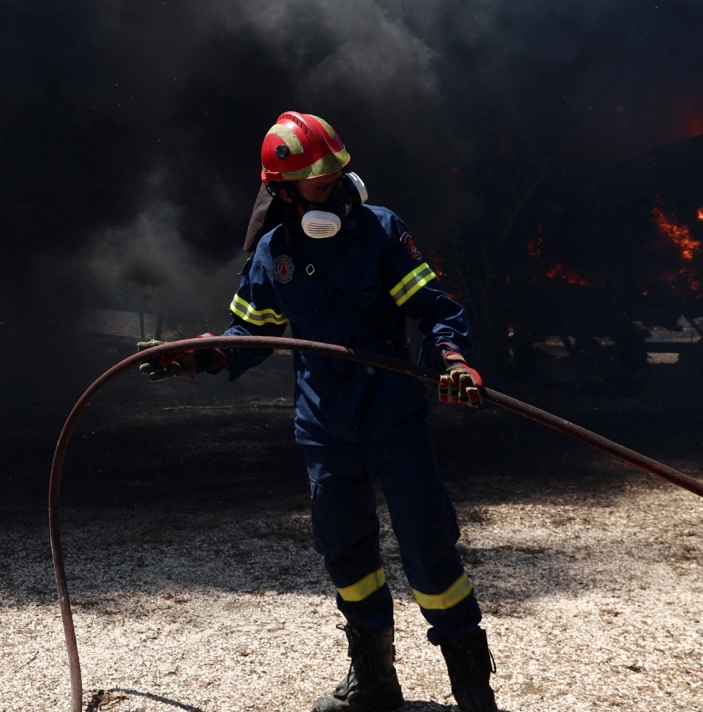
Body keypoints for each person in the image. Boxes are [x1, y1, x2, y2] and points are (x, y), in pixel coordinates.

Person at [141, 112, 499, 712]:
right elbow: (248, 335)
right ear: (283, 191)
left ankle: (472, 691)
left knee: (428, 548)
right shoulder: (274, 255)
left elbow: (435, 310)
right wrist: (200, 358)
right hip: (324, 426)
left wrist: (454, 359)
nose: (334, 184)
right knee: (346, 551)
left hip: (392, 414)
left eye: (338, 173)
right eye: (318, 179)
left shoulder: (382, 231)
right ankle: (374, 682)